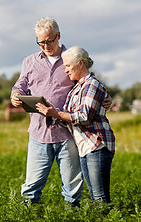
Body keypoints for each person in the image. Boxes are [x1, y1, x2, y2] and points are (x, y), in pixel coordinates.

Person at [11, 17, 111, 207]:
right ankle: (27, 215)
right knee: (32, 185)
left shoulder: (71, 58)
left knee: (72, 187)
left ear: (58, 36)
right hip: (39, 133)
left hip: (68, 133)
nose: (46, 46)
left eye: (49, 41)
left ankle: (71, 214)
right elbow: (20, 85)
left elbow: (90, 83)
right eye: (41, 42)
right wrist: (15, 95)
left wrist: (107, 98)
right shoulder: (30, 62)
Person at [36, 46, 115, 203]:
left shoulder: (92, 85)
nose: (65, 70)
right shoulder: (76, 88)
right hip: (85, 147)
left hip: (96, 144)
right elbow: (70, 117)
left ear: (80, 64)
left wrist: (56, 114)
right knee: (94, 195)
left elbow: (84, 116)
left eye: (68, 66)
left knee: (100, 197)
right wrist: (48, 112)